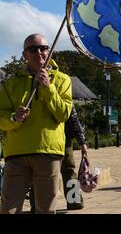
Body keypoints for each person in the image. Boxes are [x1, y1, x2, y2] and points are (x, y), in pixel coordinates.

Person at [0, 33, 72, 214]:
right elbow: (1, 118)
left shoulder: (63, 80)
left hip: (48, 152)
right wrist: (14, 118)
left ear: (50, 52)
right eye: (33, 49)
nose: (39, 52)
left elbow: (63, 113)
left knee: (45, 209)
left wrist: (48, 88)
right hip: (16, 153)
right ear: (24, 54)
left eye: (43, 48)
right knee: (8, 209)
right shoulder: (10, 84)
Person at [30, 105, 88, 212]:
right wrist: (82, 142)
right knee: (69, 171)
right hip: (64, 140)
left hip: (41, 140)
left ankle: (36, 205)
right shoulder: (64, 96)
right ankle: (74, 201)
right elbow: (74, 119)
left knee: (40, 173)